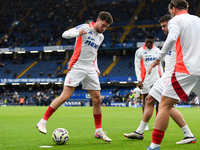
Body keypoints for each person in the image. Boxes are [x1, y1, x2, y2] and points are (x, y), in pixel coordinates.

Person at [36, 11, 113, 142]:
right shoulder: (85, 28)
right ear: (98, 20)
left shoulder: (101, 37)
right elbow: (65, 34)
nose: (104, 28)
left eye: (107, 27)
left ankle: (98, 131)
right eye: (103, 25)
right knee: (65, 96)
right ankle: (42, 122)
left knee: (97, 99)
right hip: (77, 65)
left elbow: (94, 53)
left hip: (90, 68)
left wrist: (96, 68)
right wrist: (77, 33)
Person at [124, 14, 196, 145]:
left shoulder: (177, 36)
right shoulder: (170, 38)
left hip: (173, 76)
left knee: (166, 106)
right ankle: (140, 131)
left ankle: (188, 134)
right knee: (150, 100)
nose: (163, 28)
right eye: (161, 26)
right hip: (165, 76)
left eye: (165, 25)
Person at [147, 1, 200, 149]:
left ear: (173, 9)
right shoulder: (198, 20)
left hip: (186, 69)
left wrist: (158, 59)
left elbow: (171, 39)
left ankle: (154, 146)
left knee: (164, 105)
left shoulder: (175, 20)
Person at [134, 34, 163, 130]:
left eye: (151, 42)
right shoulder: (139, 51)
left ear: (154, 42)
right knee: (146, 101)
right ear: (145, 41)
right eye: (147, 42)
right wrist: (139, 80)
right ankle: (145, 123)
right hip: (145, 80)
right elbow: (137, 67)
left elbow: (160, 65)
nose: (149, 44)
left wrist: (162, 78)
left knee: (159, 101)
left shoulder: (158, 51)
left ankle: (157, 122)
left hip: (157, 79)